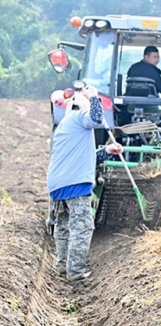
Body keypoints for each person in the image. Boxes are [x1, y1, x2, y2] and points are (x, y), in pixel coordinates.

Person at [47, 86, 123, 282]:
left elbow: (86, 157)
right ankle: (76, 272)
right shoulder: (79, 116)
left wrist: (107, 151)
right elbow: (97, 119)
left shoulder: (65, 126)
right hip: (75, 184)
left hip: (57, 184)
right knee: (82, 227)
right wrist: (95, 97)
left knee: (63, 226)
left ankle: (63, 265)